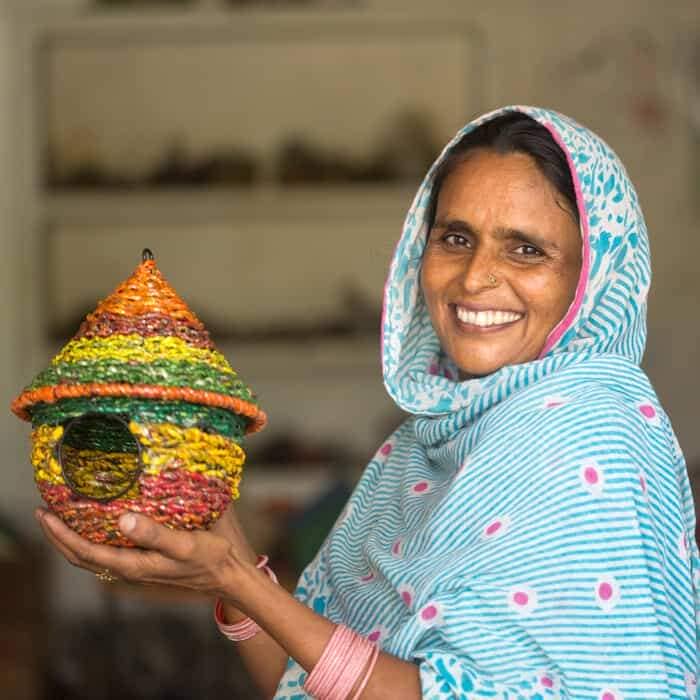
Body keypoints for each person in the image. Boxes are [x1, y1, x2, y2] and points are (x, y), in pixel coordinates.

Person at [36, 106, 700, 699]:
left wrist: (241, 580)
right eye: (455, 237)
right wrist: (233, 585)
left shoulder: (588, 435)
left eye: (526, 249)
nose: (474, 278)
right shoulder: (425, 445)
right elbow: (310, 684)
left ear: (592, 275)